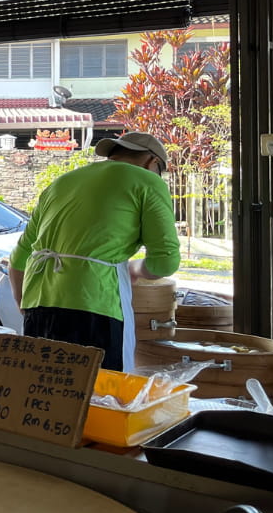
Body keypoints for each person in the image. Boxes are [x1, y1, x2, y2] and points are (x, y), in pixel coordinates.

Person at [9, 132, 180, 371]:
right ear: (152, 162)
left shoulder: (62, 182)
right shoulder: (147, 181)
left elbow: (18, 258)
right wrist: (135, 268)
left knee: (46, 395)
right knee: (100, 397)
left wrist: (23, 303)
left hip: (39, 303)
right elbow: (165, 262)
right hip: (95, 303)